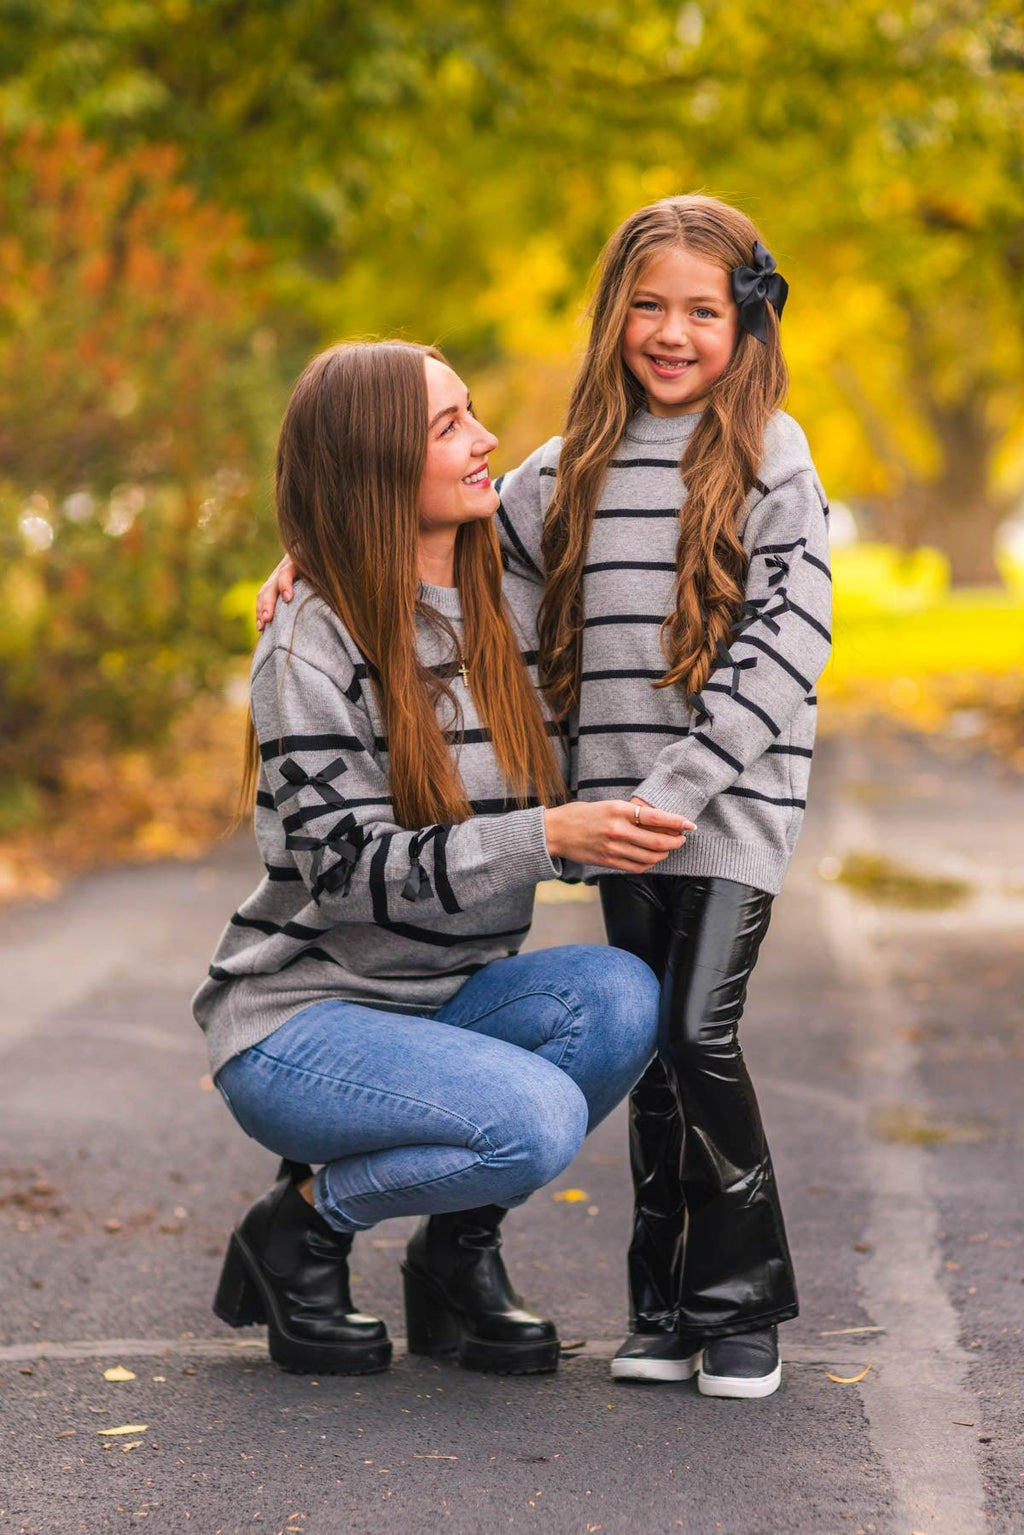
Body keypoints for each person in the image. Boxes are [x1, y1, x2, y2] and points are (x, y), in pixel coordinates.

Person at [258, 196, 833, 1399]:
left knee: (697, 1033)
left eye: (703, 310)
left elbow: (787, 644)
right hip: (620, 816)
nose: (670, 332)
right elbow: (448, 545)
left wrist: (676, 788)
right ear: (611, 312)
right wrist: (313, 552)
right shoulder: (564, 467)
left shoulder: (770, 454)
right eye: (647, 305)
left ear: (748, 322)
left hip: (722, 808)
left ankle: (742, 1303)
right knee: (656, 1052)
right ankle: (661, 1307)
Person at [198, 339, 688, 1379]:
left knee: (619, 996)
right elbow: (347, 873)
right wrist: (546, 835)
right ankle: (299, 1226)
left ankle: (455, 1257)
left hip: (445, 1002)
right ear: (378, 464)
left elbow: (624, 455)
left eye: (473, 412)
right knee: (536, 1122)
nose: (487, 439)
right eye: (450, 426)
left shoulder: (510, 598)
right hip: (300, 1024)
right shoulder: (310, 640)